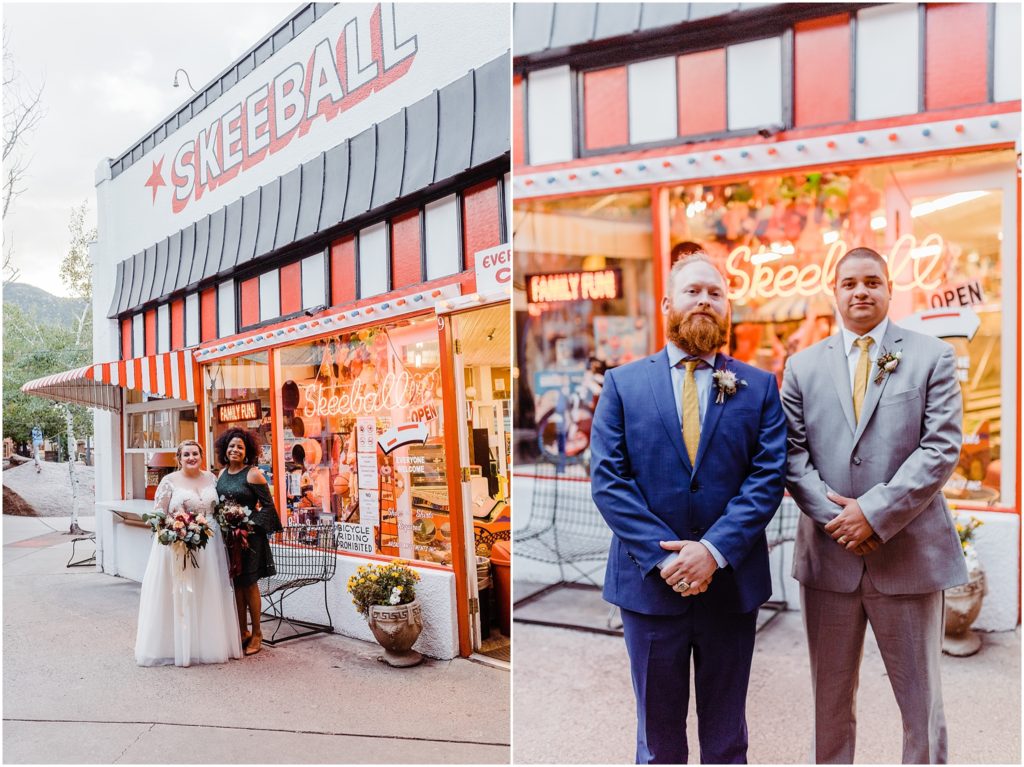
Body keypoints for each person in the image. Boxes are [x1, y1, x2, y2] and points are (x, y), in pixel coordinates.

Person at [590, 252, 787, 764]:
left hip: (731, 586)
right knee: (658, 743)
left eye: (715, 293)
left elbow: (766, 479)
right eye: (693, 291)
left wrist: (713, 551)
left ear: (728, 308)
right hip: (649, 588)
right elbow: (609, 481)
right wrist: (667, 559)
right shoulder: (622, 385)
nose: (704, 300)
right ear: (666, 304)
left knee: (727, 740)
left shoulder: (760, 387)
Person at [781, 247, 966, 764]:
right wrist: (839, 519)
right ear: (834, 292)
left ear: (889, 289)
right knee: (829, 703)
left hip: (909, 556)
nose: (860, 291)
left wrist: (874, 513)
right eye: (849, 283)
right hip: (828, 559)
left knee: (920, 704)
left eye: (871, 282)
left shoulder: (932, 356)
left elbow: (940, 447)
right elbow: (791, 455)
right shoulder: (801, 367)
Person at [135, 440, 242, 667]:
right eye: (186, 454)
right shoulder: (169, 481)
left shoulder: (211, 478)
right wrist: (177, 529)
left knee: (208, 590)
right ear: (179, 458)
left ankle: (206, 644)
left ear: (202, 456)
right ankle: (177, 646)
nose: (191, 457)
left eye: (195, 453)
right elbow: (158, 515)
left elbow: (218, 509)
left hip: (211, 544)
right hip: (180, 545)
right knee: (181, 593)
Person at [215, 427, 283, 656]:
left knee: (250, 584)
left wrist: (248, 523)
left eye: (240, 447)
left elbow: (269, 507)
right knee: (236, 583)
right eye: (231, 446)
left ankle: (257, 634)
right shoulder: (221, 474)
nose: (235, 450)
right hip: (230, 538)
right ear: (225, 449)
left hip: (250, 539)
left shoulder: (253, 474)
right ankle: (242, 631)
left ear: (247, 452)